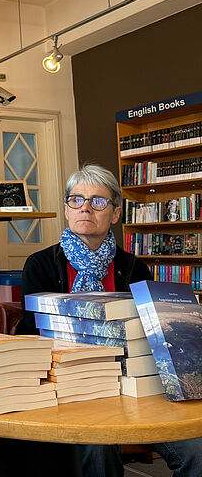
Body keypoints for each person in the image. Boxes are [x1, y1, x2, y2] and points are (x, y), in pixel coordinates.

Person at [20, 164, 202, 477]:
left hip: (135, 385)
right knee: (96, 447)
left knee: (197, 450)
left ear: (115, 213)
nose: (86, 208)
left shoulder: (134, 267)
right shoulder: (39, 265)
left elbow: (153, 334)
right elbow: (31, 336)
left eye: (98, 201)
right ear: (66, 210)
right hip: (74, 389)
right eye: (76, 200)